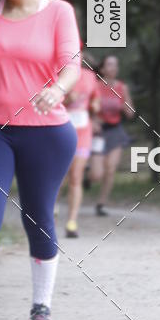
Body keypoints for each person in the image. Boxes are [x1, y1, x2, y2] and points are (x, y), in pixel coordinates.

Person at [0, 0, 80, 320]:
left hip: (47, 133)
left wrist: (57, 89)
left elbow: (72, 65)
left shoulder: (59, 11)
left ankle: (41, 307)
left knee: (37, 217)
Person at [90, 55, 134, 216]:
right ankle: (88, 177)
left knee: (110, 169)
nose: (113, 68)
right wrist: (92, 121)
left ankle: (101, 204)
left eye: (115, 65)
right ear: (102, 69)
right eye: (109, 64)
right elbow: (86, 109)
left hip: (115, 131)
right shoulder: (95, 86)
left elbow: (130, 113)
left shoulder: (122, 87)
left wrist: (125, 108)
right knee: (97, 174)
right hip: (98, 133)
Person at [62, 50, 100, 237]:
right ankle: (49, 208)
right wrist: (66, 100)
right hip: (61, 129)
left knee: (76, 176)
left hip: (83, 131)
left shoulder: (90, 76)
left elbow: (95, 99)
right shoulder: (59, 72)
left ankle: (72, 222)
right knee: (59, 176)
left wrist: (95, 106)